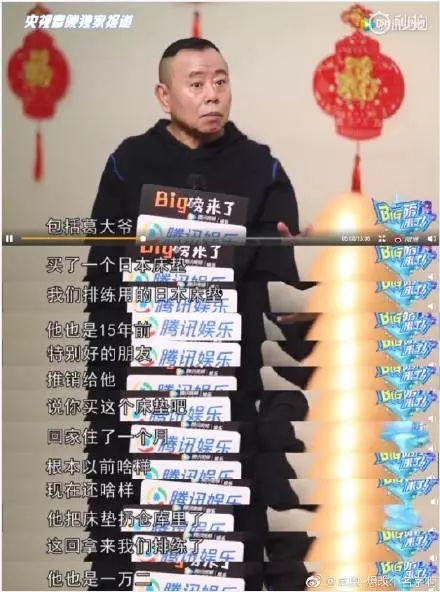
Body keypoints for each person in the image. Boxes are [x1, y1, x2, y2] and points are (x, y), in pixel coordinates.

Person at [84, 37, 302, 591]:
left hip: (228, 381)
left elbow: (278, 284)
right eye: (197, 83)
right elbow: (103, 269)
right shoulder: (129, 163)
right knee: (142, 535)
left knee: (229, 536)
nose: (212, 95)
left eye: (221, 81)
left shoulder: (262, 167)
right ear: (165, 96)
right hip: (148, 377)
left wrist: (284, 254)